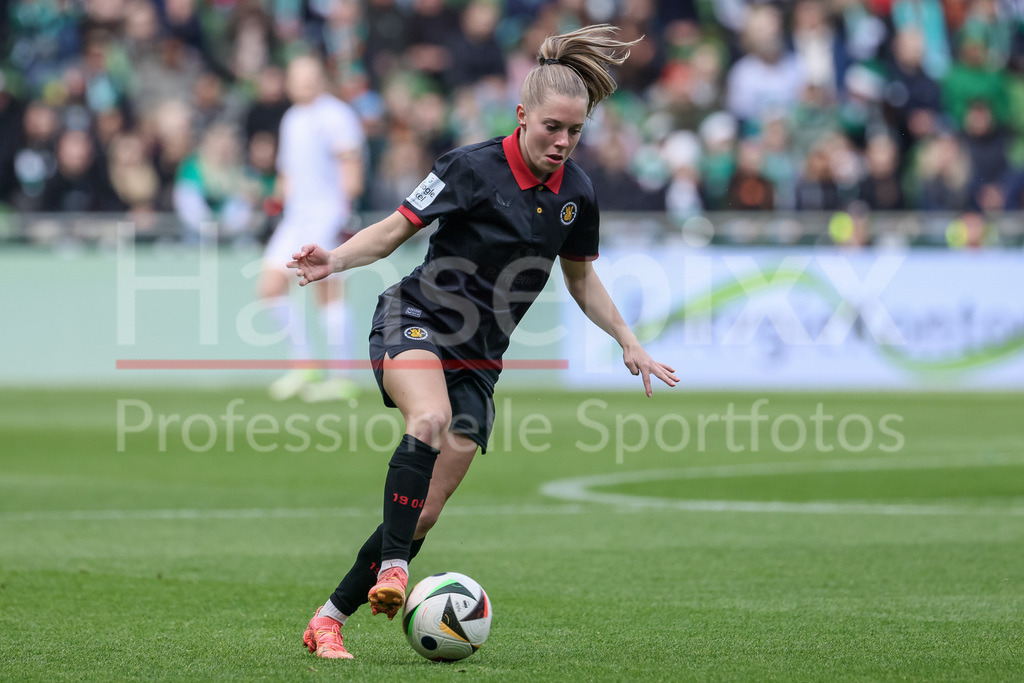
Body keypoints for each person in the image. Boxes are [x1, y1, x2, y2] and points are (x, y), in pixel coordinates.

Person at [288, 24, 678, 660]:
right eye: (552, 126)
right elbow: (392, 233)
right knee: (429, 416)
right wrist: (333, 259)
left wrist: (627, 340)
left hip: (481, 357)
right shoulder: (468, 168)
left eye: (575, 131)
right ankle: (394, 571)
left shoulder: (577, 193)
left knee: (425, 512)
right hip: (414, 317)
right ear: (522, 115)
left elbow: (580, 278)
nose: (563, 141)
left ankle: (328, 620)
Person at [260, 54, 366, 402]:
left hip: (326, 214)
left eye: (310, 75)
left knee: (328, 290)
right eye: (298, 76)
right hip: (295, 216)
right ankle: (305, 366)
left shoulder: (335, 114)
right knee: (271, 285)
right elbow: (287, 172)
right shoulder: (292, 118)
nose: (304, 82)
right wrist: (272, 204)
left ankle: (342, 377)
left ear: (321, 78)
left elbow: (350, 164)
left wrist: (344, 214)